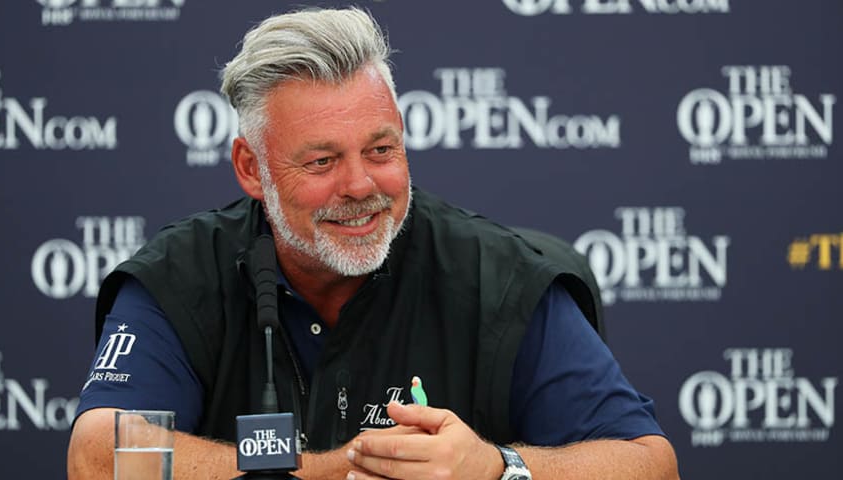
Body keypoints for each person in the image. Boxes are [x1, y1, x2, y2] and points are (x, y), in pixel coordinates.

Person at [67, 7, 679, 480]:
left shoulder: (500, 280)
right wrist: (336, 469)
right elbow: (99, 457)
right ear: (251, 169)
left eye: (380, 151)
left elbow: (649, 464)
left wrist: (496, 467)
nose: (361, 185)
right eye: (323, 160)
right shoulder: (180, 277)